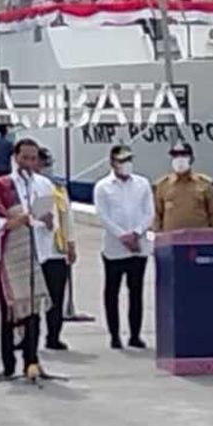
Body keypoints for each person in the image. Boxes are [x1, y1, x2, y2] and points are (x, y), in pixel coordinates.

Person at [0, 138, 55, 381]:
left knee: (34, 309)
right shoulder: (1, 186)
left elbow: (46, 218)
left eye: (33, 158)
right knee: (10, 309)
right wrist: (12, 223)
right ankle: (8, 364)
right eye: (24, 157)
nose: (29, 163)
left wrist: (48, 222)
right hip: (10, 251)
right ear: (15, 157)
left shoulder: (43, 185)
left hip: (36, 251)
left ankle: (32, 360)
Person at [95, 144, 153, 350]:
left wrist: (137, 233)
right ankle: (114, 335)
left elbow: (149, 213)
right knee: (112, 291)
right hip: (114, 247)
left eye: (129, 159)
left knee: (135, 291)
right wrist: (122, 236)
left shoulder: (142, 183)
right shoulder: (103, 186)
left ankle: (135, 335)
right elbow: (103, 216)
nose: (126, 164)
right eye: (121, 160)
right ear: (112, 162)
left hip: (139, 246)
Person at [35, 147, 76, 351]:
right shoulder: (28, 187)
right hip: (35, 251)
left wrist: (71, 243)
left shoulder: (59, 189)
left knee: (56, 298)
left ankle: (53, 336)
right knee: (31, 300)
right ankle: (26, 337)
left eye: (48, 163)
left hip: (57, 250)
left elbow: (68, 217)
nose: (46, 168)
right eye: (43, 164)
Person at [153, 141, 213, 232]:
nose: (179, 159)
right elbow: (156, 216)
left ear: (191, 159)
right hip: (171, 241)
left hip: (200, 240)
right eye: (175, 156)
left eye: (183, 155)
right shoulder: (162, 185)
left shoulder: (205, 184)